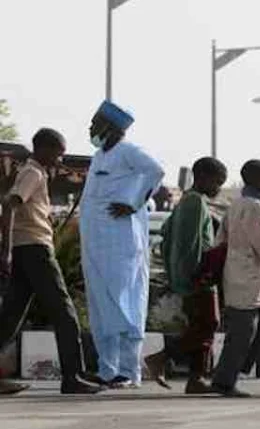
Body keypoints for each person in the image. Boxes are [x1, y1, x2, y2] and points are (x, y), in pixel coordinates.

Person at [0, 129, 101, 395]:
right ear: (43, 149)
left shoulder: (34, 172)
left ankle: (74, 374)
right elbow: (10, 204)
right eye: (58, 151)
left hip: (26, 249)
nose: (60, 157)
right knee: (64, 313)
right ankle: (72, 376)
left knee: (10, 316)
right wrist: (6, 250)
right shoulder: (32, 173)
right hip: (34, 249)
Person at [80, 102, 164, 389]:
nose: (90, 129)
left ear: (111, 127)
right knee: (101, 306)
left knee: (124, 303)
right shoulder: (98, 157)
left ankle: (129, 371)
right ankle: (107, 371)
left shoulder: (129, 151)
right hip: (94, 243)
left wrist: (134, 203)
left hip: (121, 243)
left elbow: (156, 171)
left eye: (95, 124)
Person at [144, 157, 228, 394]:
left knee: (201, 326)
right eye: (217, 182)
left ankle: (196, 378)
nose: (218, 188)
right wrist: (196, 277)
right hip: (198, 277)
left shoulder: (188, 201)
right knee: (209, 323)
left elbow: (166, 236)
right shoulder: (194, 203)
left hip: (194, 277)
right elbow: (189, 245)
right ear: (202, 177)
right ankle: (162, 357)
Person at [211, 160, 260, 398]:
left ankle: (234, 370)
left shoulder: (238, 204)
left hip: (245, 275)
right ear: (256, 179)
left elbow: (221, 240)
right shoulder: (253, 206)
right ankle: (225, 380)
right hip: (245, 276)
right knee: (243, 331)